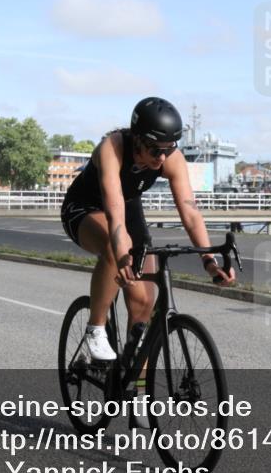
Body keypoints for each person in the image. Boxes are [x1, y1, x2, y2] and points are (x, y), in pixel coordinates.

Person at [61, 97, 235, 361]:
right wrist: (120, 253)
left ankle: (136, 393)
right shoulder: (113, 147)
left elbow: (190, 212)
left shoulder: (171, 159)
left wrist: (209, 261)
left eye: (169, 149)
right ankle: (95, 330)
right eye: (155, 150)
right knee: (113, 244)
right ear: (138, 140)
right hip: (85, 208)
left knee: (143, 305)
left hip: (129, 210)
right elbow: (114, 209)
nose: (162, 157)